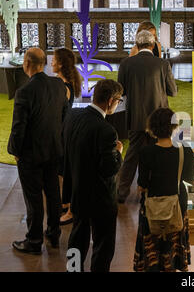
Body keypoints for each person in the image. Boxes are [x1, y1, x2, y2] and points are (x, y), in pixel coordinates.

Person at [8, 47, 69, 254]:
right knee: (53, 194)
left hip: (31, 155)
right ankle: (53, 233)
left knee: (33, 198)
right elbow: (63, 117)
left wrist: (15, 150)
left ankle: (34, 241)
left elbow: (19, 127)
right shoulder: (59, 86)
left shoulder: (24, 92)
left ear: (27, 64)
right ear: (43, 63)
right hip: (53, 150)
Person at [62, 79, 124, 272]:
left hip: (78, 191)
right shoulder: (106, 131)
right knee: (103, 245)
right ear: (110, 101)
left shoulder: (73, 116)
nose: (118, 104)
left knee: (77, 238)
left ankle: (73, 270)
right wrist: (118, 152)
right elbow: (109, 169)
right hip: (100, 197)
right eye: (119, 101)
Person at [134, 107, 194, 272]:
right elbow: (193, 180)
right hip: (177, 206)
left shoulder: (146, 152)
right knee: (174, 245)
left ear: (152, 128)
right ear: (174, 127)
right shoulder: (184, 150)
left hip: (152, 208)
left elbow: (142, 186)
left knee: (152, 249)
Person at [117, 30, 177, 203]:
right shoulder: (162, 64)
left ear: (136, 45)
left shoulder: (126, 64)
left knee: (131, 155)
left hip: (135, 118)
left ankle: (121, 192)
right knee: (156, 155)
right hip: (157, 120)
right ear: (153, 45)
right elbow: (173, 91)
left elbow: (122, 91)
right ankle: (152, 190)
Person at [51, 47, 82, 226]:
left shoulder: (60, 86)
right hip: (64, 132)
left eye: (54, 60)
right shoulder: (66, 83)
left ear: (61, 64)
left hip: (60, 134)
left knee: (62, 172)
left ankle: (66, 205)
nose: (51, 62)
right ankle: (65, 203)